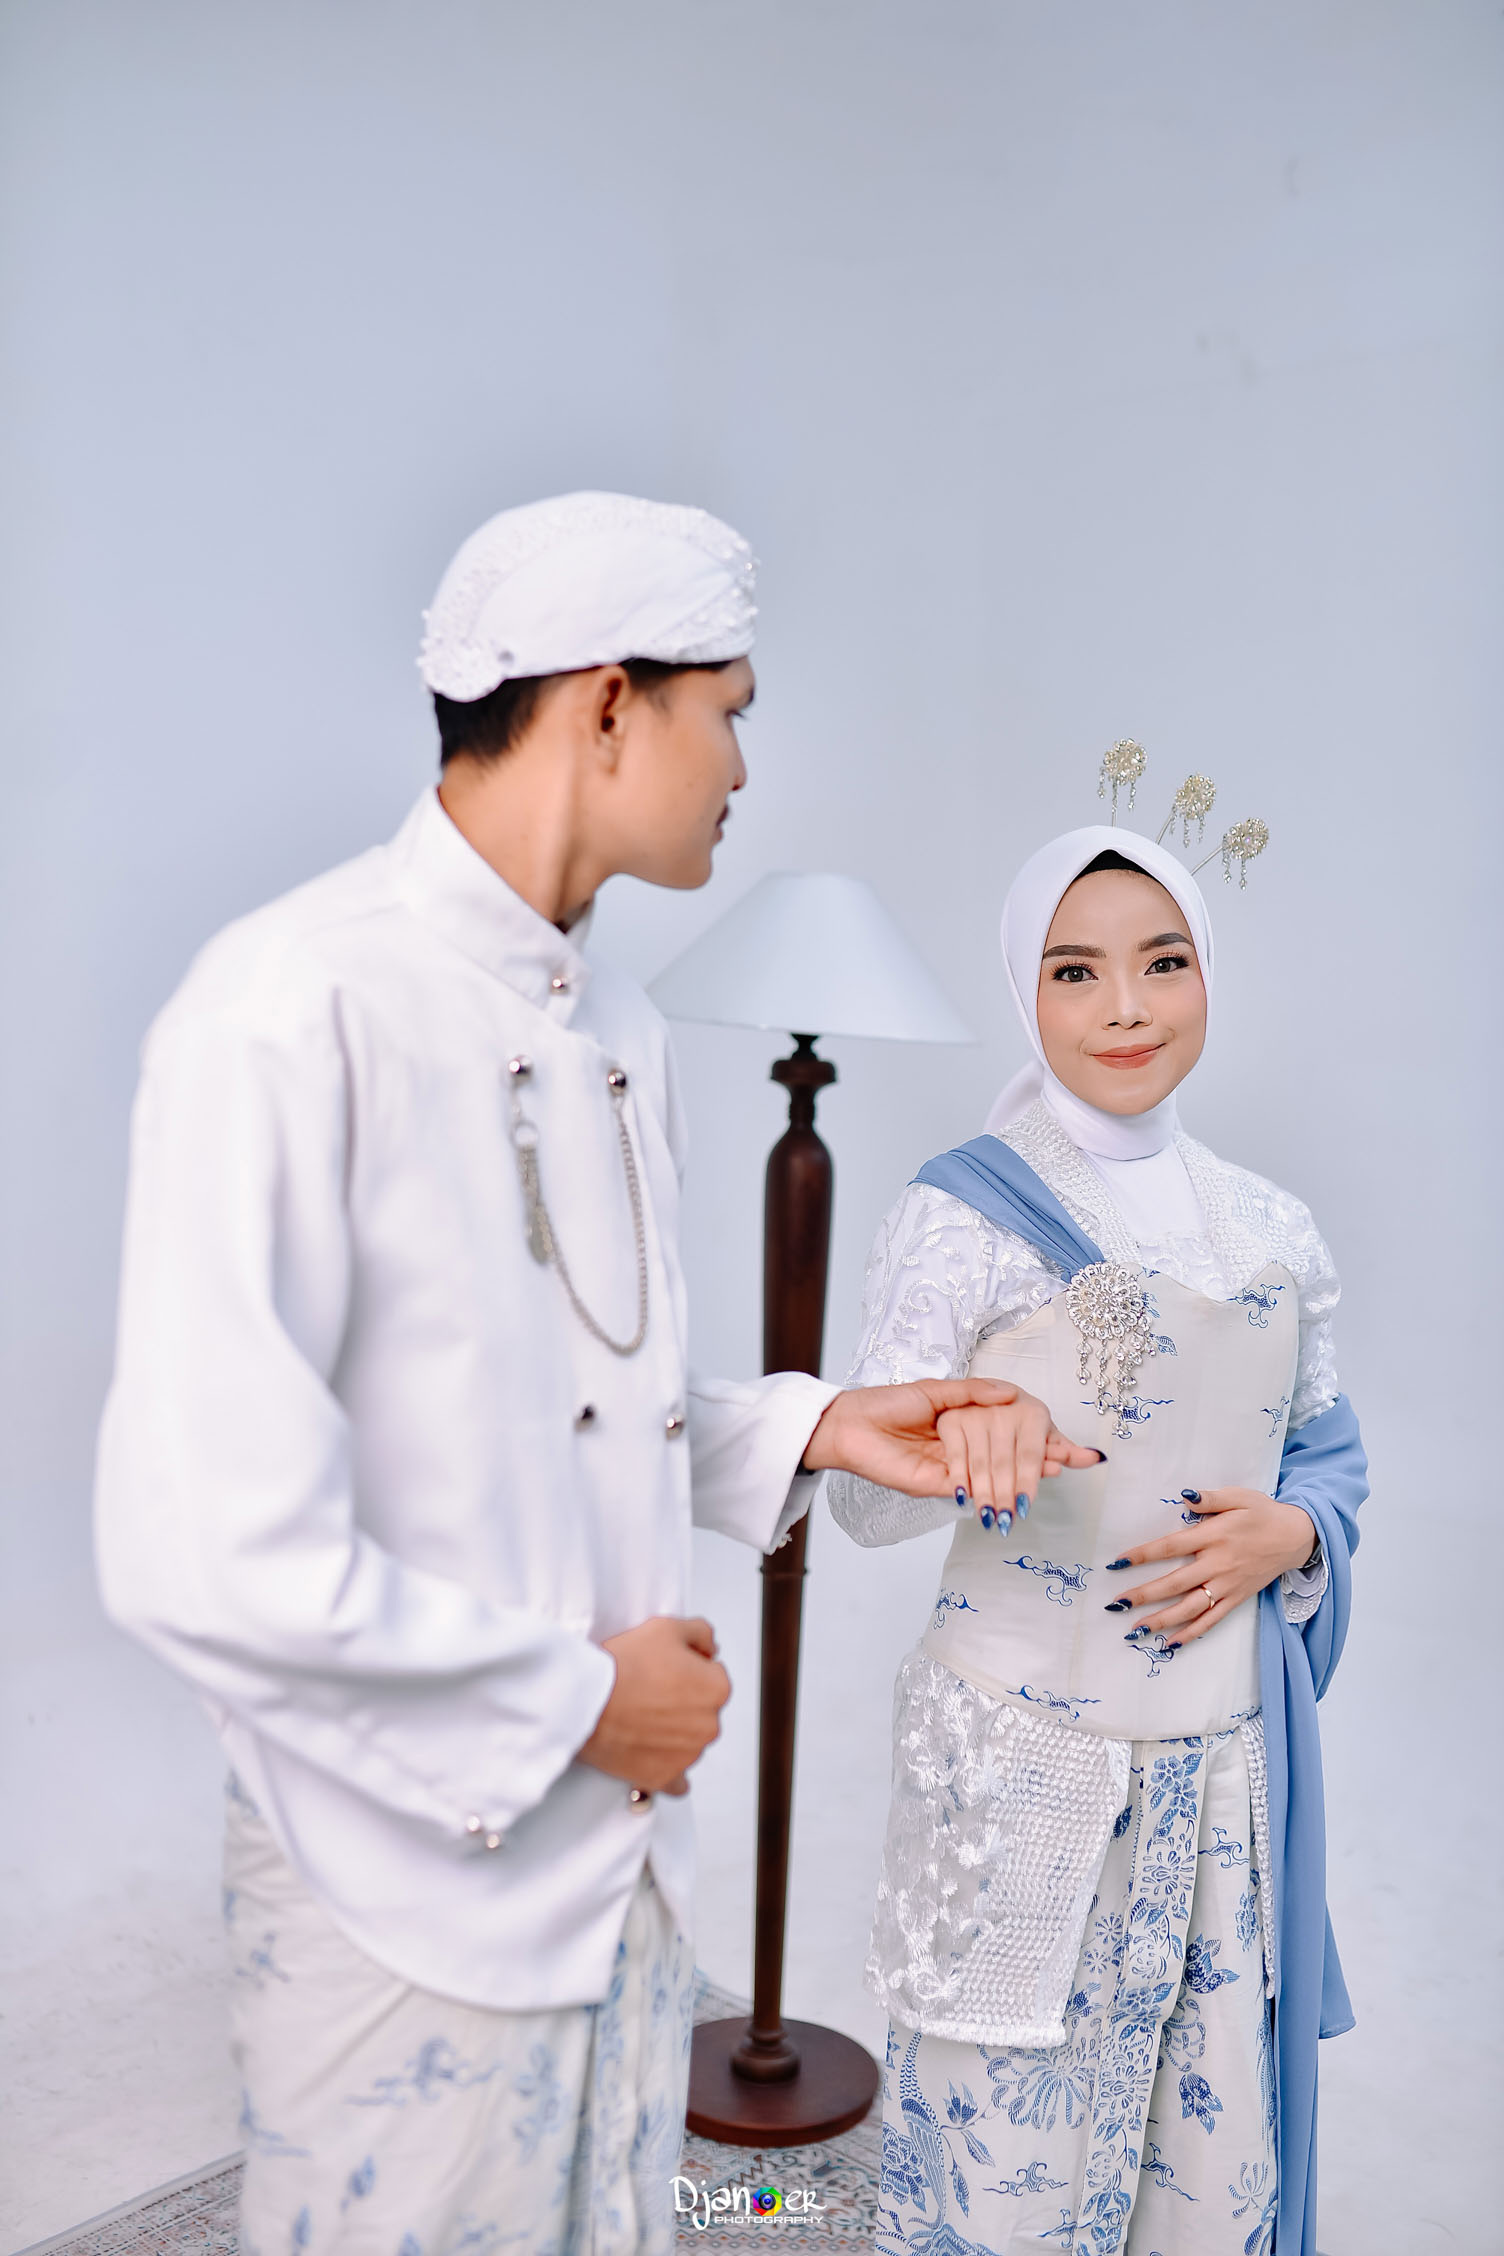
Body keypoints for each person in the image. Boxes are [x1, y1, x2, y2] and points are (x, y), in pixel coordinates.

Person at [93, 490, 1094, 2255]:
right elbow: (198, 1551)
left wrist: (821, 1427)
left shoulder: (621, 1025)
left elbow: (572, 1404)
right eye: (734, 712)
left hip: (627, 1871)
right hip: (400, 1892)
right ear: (612, 702)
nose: (744, 766)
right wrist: (575, 1704)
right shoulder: (289, 1009)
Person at [825, 816, 1366, 2256]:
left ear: (1206, 974)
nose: (1126, 1008)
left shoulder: (1273, 1228)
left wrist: (1295, 1537)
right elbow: (862, 1500)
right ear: (1028, 993)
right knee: (1003, 2173)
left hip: (1224, 1783)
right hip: (1024, 1777)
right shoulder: (964, 1213)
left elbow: (1328, 1462)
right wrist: (960, 1437)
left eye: (1163, 963)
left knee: (1206, 2173)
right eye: (1076, 972)